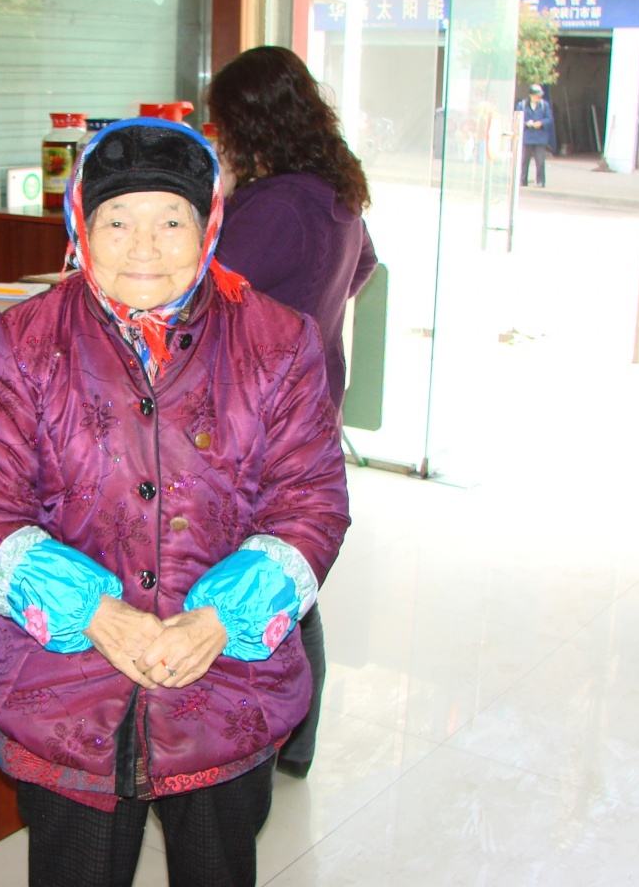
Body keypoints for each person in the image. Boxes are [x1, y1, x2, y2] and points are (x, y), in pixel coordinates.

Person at [0, 118, 350, 887]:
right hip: (67, 692)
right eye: (117, 220)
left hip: (226, 684)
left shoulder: (277, 341)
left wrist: (221, 618)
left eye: (170, 221)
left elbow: (312, 503)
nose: (144, 246)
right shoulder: (24, 341)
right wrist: (93, 612)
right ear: (82, 228)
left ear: (208, 229)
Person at [206, 44, 377, 780]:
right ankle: (297, 739)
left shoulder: (274, 204)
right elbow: (363, 267)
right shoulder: (335, 189)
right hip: (311, 406)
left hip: (260, 416)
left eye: (222, 126)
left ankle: (284, 733)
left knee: (269, 573)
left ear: (250, 125)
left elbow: (202, 296)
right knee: (288, 566)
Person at [517, 84, 553, 187]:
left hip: (540, 137)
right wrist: (526, 123)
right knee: (524, 161)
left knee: (540, 161)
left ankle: (540, 181)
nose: (539, 97)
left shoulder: (544, 105)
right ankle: (522, 180)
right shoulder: (522, 105)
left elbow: (549, 119)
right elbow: (517, 119)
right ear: (531, 95)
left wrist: (541, 123)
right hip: (527, 137)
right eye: (537, 95)